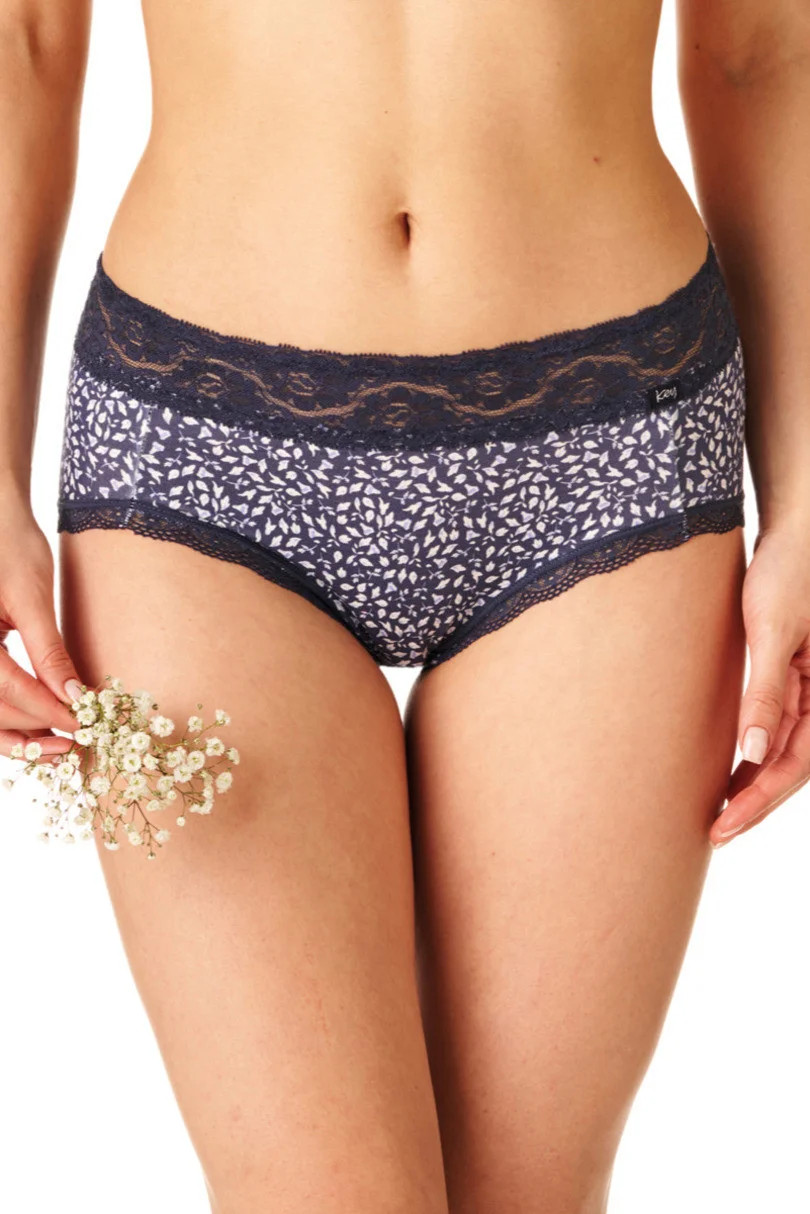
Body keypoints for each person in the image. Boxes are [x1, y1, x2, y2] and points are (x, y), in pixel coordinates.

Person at [1, 3, 809, 1211]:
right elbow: (24, 39)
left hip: (613, 448)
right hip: (200, 448)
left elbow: (761, 48)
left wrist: (806, 491)